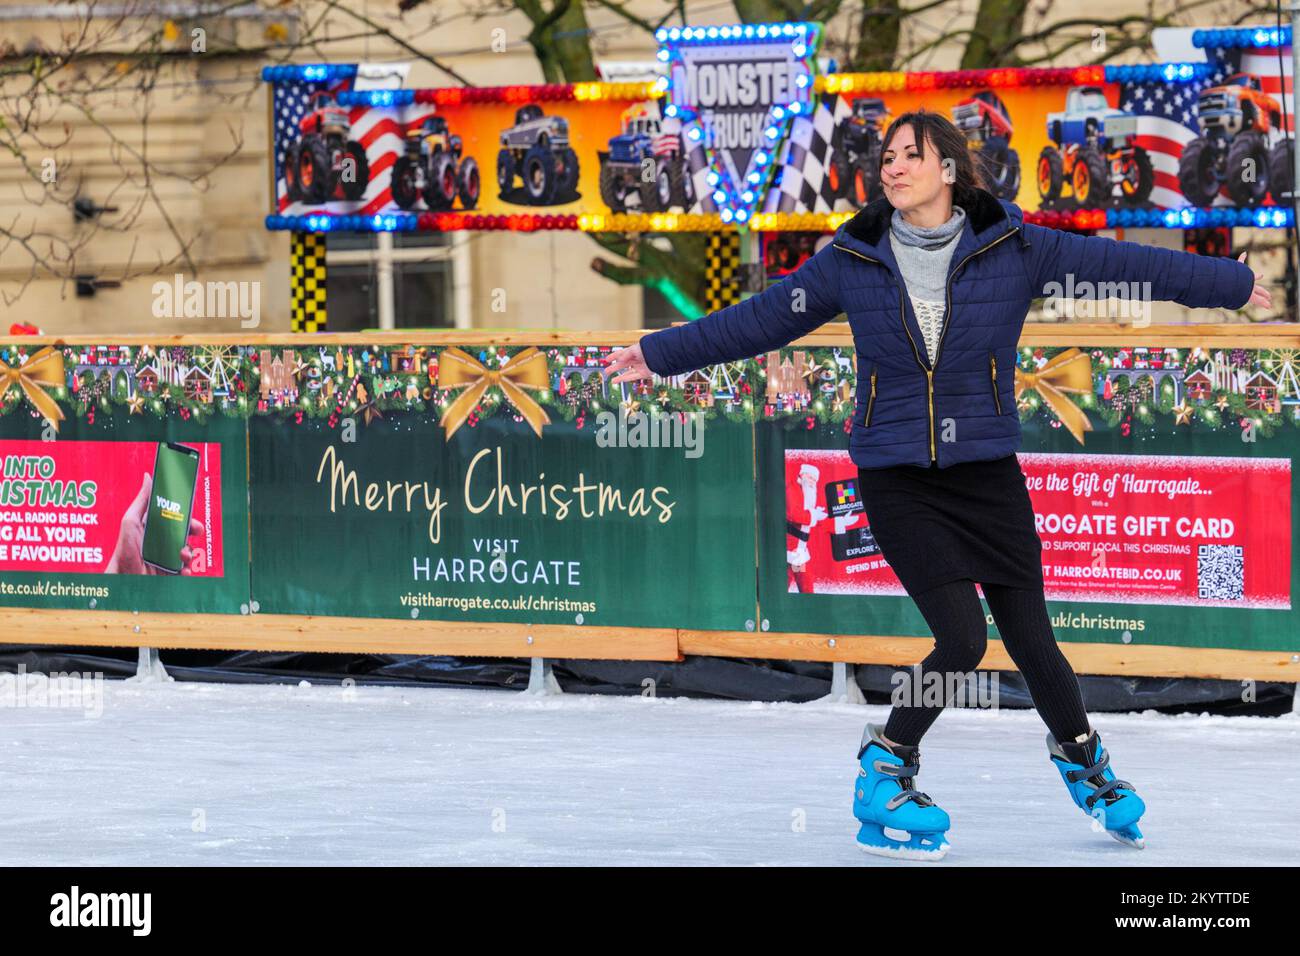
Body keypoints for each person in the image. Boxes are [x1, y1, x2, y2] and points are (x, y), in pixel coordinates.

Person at [602, 109, 1271, 861]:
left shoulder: (1015, 246)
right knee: (960, 637)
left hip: (986, 472)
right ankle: (886, 764)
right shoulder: (853, 258)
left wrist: (1233, 282)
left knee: (1034, 641)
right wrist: (658, 354)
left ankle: (1086, 763)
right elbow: (763, 319)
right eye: (886, 157)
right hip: (896, 476)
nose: (890, 168)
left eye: (908, 156)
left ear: (948, 170)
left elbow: (1125, 264)